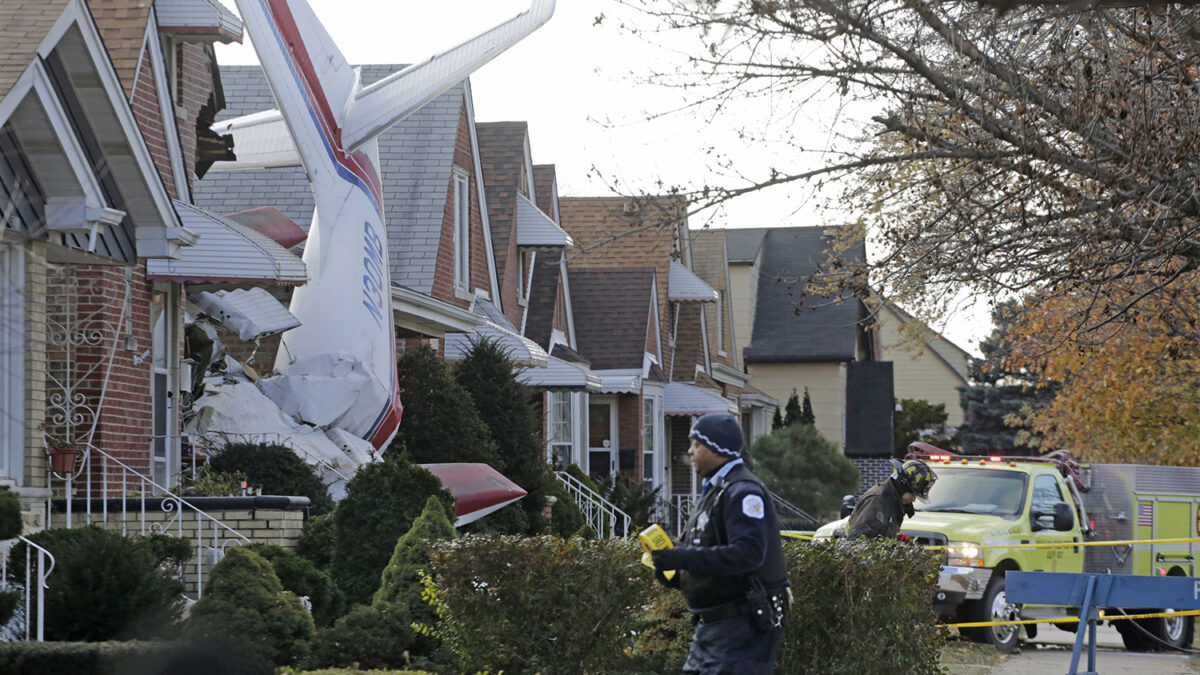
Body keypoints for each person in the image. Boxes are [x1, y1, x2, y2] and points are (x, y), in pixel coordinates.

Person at [650, 413, 790, 674]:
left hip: (741, 624)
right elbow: (707, 553)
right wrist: (673, 570)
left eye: (697, 444)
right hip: (715, 626)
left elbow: (748, 554)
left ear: (717, 447)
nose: (690, 451)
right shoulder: (715, 491)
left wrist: (684, 559)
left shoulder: (743, 492)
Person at [844, 458, 936, 540]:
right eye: (913, 494)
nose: (914, 500)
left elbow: (880, 534)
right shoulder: (876, 501)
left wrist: (895, 541)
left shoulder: (892, 502)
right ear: (903, 486)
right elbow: (857, 541)